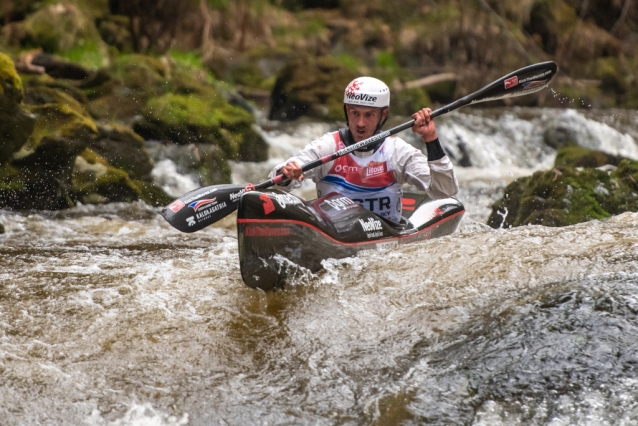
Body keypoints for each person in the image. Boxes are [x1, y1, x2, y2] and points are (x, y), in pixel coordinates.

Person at [269, 76, 459, 223]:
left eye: (369, 115)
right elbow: (279, 181)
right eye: (354, 113)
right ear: (346, 111)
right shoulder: (328, 146)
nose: (360, 123)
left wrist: (430, 138)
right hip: (334, 232)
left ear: (383, 114)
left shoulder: (396, 151)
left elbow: (445, 191)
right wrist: (286, 172)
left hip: (386, 234)